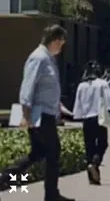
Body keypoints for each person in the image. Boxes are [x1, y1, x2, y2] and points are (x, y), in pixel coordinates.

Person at [0, 25, 75, 201]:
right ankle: (51, 194)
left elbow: (47, 89)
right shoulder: (38, 58)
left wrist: (59, 107)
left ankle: (4, 178)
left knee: (39, 152)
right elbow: (28, 86)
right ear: (55, 40)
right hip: (39, 115)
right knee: (53, 151)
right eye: (61, 43)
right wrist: (25, 115)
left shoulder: (48, 58)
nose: (62, 47)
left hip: (46, 113)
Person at [73, 60, 110, 185]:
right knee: (103, 143)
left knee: (89, 147)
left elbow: (78, 103)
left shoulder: (81, 86)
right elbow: (109, 100)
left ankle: (92, 178)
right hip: (99, 118)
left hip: (87, 119)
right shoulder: (102, 84)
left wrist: (78, 115)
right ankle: (94, 164)